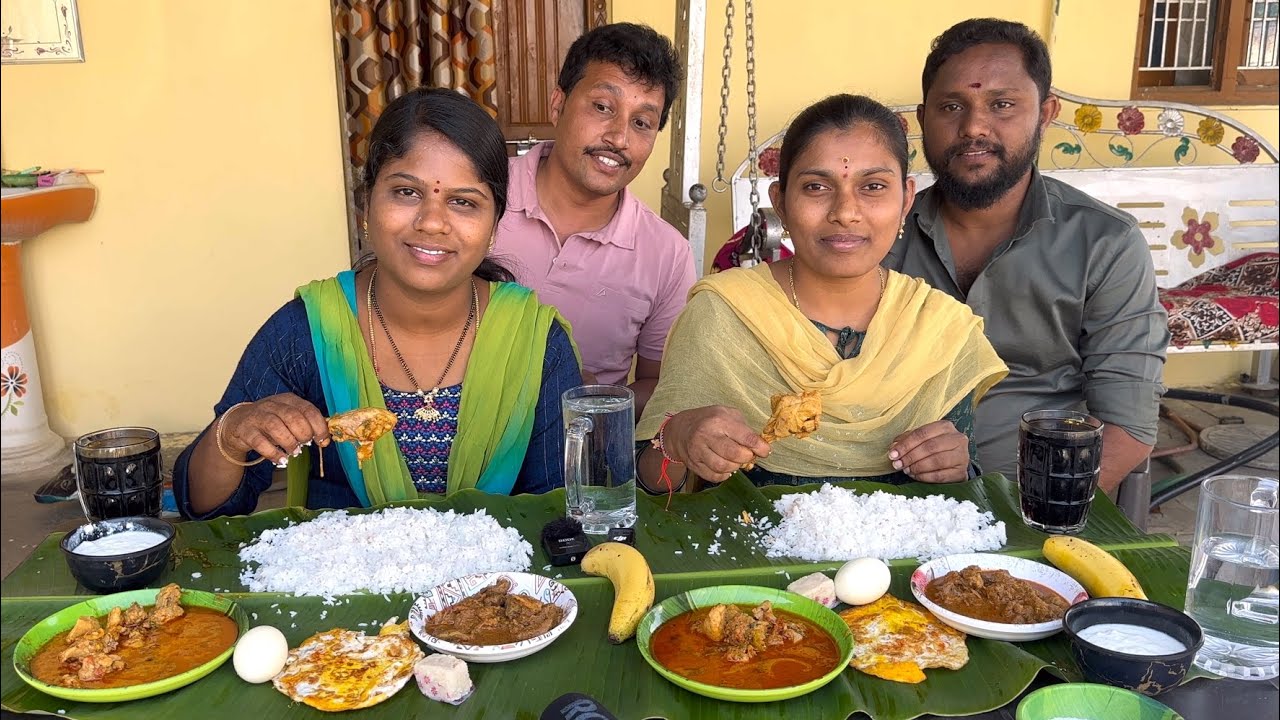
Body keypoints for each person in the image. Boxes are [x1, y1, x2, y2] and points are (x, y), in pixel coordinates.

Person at [173, 88, 583, 519]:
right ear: (365, 205)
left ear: (494, 226)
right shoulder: (310, 331)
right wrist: (232, 432)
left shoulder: (534, 342)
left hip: (500, 584)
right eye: (406, 192)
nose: (432, 222)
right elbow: (204, 508)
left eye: (463, 202)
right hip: (339, 582)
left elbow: (560, 507)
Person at [634, 94, 1008, 492]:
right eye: (816, 187)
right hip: (743, 549)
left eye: (874, 186)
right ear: (781, 202)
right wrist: (675, 440)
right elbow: (651, 489)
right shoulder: (723, 314)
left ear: (905, 201)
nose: (845, 212)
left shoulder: (939, 329)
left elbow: (965, 493)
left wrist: (954, 464)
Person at [884, 18, 1169, 493]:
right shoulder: (881, 238)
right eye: (952, 106)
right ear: (922, 118)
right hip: (886, 501)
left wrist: (1032, 517)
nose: (974, 127)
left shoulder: (1104, 244)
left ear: (1045, 112)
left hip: (1039, 511)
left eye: (1002, 105)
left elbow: (1128, 426)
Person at [493, 22, 696, 415]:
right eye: (603, 107)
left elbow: (660, 386)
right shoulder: (479, 196)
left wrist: (589, 400)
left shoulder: (666, 254)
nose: (619, 138)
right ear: (558, 105)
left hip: (577, 461)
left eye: (642, 122)